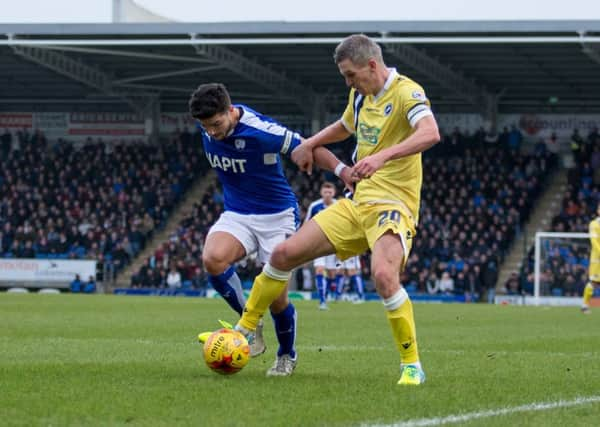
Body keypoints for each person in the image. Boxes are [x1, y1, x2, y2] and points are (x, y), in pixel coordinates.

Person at [219, 34, 440, 385]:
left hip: (393, 204)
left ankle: (411, 364)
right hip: (357, 203)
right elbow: (344, 126)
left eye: (351, 75)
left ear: (372, 64)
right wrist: (311, 142)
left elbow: (430, 133)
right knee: (283, 254)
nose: (348, 82)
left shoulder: (406, 92)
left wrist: (382, 156)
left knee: (383, 276)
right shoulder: (359, 95)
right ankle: (244, 329)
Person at [190, 83, 351, 376]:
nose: (211, 132)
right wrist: (211, 127)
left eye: (215, 124)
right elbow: (212, 129)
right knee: (212, 258)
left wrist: (343, 171)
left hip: (277, 216)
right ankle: (251, 322)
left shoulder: (261, 131)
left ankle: (286, 355)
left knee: (277, 298)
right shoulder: (210, 127)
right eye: (205, 127)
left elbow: (307, 147)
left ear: (230, 111)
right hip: (237, 212)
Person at [305, 182, 340, 310]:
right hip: (317, 244)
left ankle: (327, 295)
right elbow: (307, 223)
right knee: (319, 270)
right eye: (325, 192)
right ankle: (322, 301)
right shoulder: (315, 206)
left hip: (333, 244)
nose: (327, 194)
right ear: (321, 193)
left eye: (330, 192)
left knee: (332, 273)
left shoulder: (338, 206)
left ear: (334, 193)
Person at [582, 203, 600, 314]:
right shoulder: (594, 224)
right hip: (597, 259)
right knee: (594, 282)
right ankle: (584, 305)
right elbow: (594, 242)